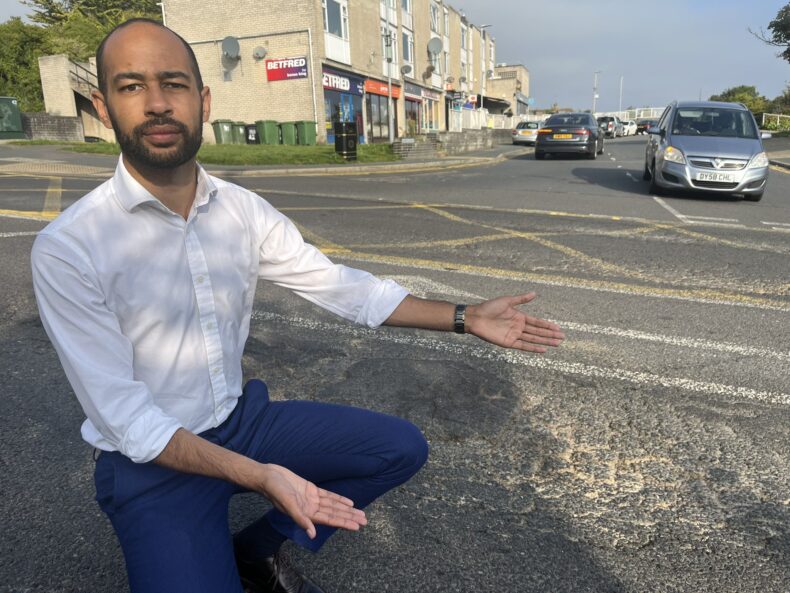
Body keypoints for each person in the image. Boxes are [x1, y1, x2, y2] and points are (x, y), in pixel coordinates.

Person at [31, 18, 565, 593]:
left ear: (204, 100)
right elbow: (127, 419)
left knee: (398, 449)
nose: (158, 104)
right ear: (104, 106)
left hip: (239, 423)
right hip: (151, 463)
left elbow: (336, 284)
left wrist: (463, 317)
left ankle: (256, 551)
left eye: (175, 83)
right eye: (132, 86)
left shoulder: (240, 209)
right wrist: (261, 477)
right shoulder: (69, 247)